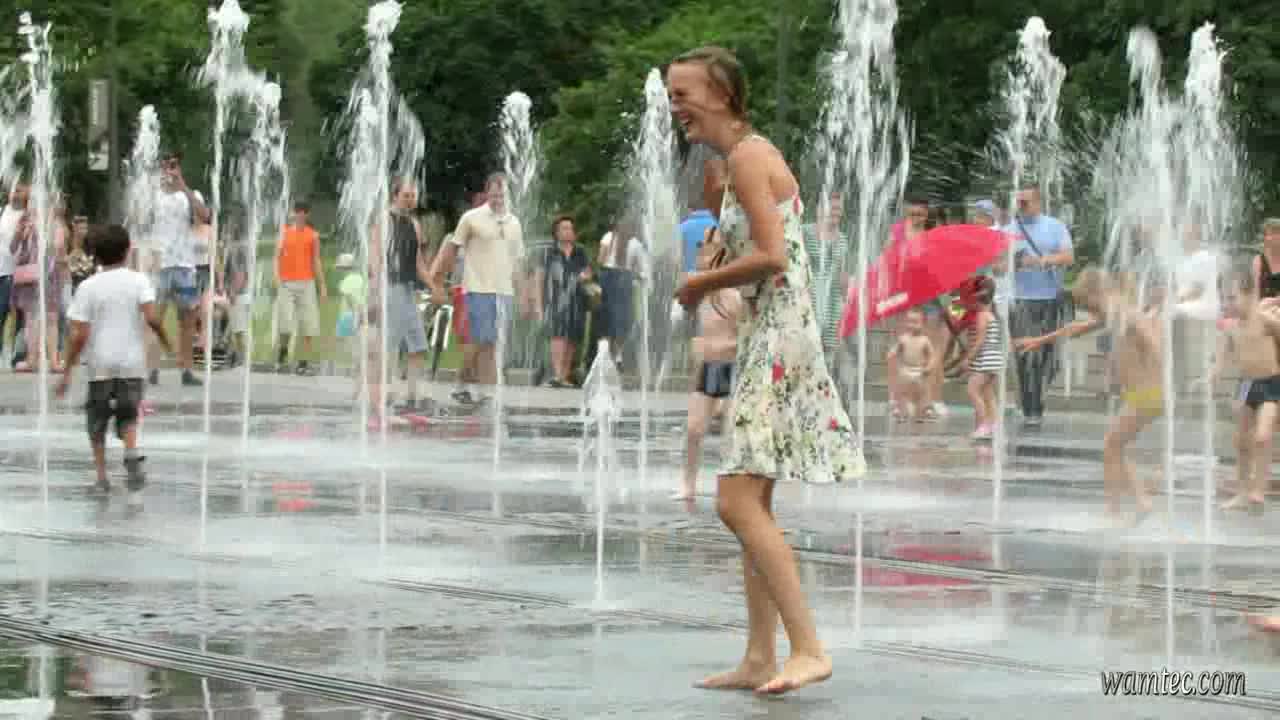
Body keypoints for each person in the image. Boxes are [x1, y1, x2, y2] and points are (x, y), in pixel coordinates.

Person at [669, 45, 865, 695]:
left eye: (683, 95)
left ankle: (808, 647)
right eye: (671, 96)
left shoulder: (750, 157)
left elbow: (776, 256)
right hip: (771, 330)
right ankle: (760, 654)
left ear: (721, 95)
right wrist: (721, 259)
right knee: (753, 502)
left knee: (734, 501)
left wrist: (701, 282)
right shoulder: (739, 162)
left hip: (780, 335)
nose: (675, 108)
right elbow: (764, 250)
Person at [1017, 268, 1157, 520]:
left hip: (1147, 393)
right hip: (1144, 394)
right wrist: (1040, 341)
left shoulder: (1123, 313)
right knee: (1116, 447)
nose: (1092, 313)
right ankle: (1138, 502)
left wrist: (1155, 366)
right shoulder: (1115, 313)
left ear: (1098, 294)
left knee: (1111, 446)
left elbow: (1150, 339)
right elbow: (1077, 328)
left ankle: (1117, 511)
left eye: (1090, 306)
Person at [56, 225, 171, 498]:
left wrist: (67, 371)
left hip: (100, 365)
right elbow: (152, 318)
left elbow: (79, 334)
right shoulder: (139, 280)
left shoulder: (87, 287)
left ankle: (101, 478)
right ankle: (131, 452)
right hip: (131, 363)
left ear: (95, 254)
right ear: (128, 250)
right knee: (128, 414)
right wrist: (166, 341)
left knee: (97, 421)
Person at [430, 173, 525, 405]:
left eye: (501, 195)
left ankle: (485, 392)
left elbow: (518, 260)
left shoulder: (514, 222)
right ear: (487, 192)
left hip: (504, 291)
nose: (497, 199)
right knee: (477, 340)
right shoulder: (471, 218)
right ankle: (462, 383)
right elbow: (452, 249)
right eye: (494, 194)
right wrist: (439, 281)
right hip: (477, 288)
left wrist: (522, 293)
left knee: (492, 343)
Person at [677, 228, 742, 500]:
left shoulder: (734, 295)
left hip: (731, 368)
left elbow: (746, 335)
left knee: (732, 432)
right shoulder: (701, 291)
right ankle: (688, 484)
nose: (702, 248)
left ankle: (733, 487)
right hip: (708, 367)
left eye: (709, 244)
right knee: (694, 429)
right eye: (702, 244)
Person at [1207, 271, 1280, 511]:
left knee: (1262, 436)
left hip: (1271, 384)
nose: (1227, 304)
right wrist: (1212, 376)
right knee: (1240, 441)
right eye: (1223, 298)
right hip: (1245, 385)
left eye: (1232, 298)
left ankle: (1258, 490)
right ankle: (1241, 493)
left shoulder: (1265, 320)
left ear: (1249, 295)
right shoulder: (1230, 328)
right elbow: (1220, 361)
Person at [1007, 184, 1074, 428]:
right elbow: (997, 265)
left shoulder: (1055, 226)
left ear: (1038, 202)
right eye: (1018, 202)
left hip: (1050, 299)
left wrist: (1043, 260)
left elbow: (1069, 257)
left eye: (1025, 202)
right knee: (1025, 354)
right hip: (1021, 300)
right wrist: (1014, 263)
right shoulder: (1009, 229)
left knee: (1050, 358)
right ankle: (1031, 409)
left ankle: (1037, 397)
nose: (1020, 206)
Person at [368, 178, 431, 417]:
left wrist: (433, 286)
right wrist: (376, 289)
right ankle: (381, 396)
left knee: (418, 345)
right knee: (388, 345)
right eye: (406, 195)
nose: (410, 199)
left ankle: (412, 396)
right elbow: (375, 256)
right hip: (390, 287)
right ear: (395, 196)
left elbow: (418, 263)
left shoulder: (414, 224)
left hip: (407, 289)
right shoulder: (384, 220)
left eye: (413, 195)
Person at [147, 151, 209, 388]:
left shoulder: (190, 194)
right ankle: (152, 368)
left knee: (187, 321)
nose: (169, 170)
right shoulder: (154, 195)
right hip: (161, 267)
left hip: (185, 267)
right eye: (165, 165)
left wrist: (182, 184)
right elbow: (140, 220)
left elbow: (205, 216)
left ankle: (186, 370)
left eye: (173, 165)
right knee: (155, 319)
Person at [273, 201, 327, 375]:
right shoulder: (284, 233)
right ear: (293, 213)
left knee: (308, 324)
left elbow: (316, 260)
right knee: (286, 324)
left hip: (306, 283)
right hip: (286, 283)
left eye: (303, 212)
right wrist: (276, 278)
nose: (300, 214)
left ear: (307, 214)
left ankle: (304, 362)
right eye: (297, 211)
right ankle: (283, 351)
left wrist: (322, 285)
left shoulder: (313, 236)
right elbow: (276, 257)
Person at [538, 215, 591, 387]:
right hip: (555, 299)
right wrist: (538, 304)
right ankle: (557, 374)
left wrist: (585, 276)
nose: (568, 231)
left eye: (570, 228)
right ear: (556, 232)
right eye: (564, 228)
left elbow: (588, 271)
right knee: (558, 334)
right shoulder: (549, 252)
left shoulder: (580, 251)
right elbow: (539, 277)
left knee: (572, 337)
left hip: (577, 299)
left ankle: (565, 375)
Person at [952, 276, 1004, 440]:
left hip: (985, 360)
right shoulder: (990, 314)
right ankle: (994, 425)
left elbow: (980, 340)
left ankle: (984, 425)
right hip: (993, 360)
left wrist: (968, 359)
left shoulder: (981, 315)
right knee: (987, 392)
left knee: (973, 390)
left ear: (975, 297)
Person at [597, 220, 647, 371]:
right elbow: (640, 269)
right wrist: (639, 277)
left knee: (605, 316)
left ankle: (603, 354)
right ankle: (618, 356)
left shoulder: (608, 237)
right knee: (621, 318)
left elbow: (600, 260)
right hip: (624, 280)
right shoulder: (636, 243)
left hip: (607, 278)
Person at [887, 308, 933, 422]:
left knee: (920, 395)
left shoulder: (925, 340)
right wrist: (892, 353)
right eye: (909, 322)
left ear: (923, 324)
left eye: (916, 322)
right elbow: (895, 349)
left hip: (920, 371)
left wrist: (929, 366)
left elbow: (931, 355)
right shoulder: (903, 338)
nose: (912, 325)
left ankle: (919, 414)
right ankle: (903, 414)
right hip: (905, 370)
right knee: (902, 393)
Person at [0, 182, 25, 363]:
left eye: (19, 190)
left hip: (20, 271)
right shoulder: (2, 211)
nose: (15, 193)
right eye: (13, 189)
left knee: (20, 313)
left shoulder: (29, 215)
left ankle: (18, 353)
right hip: (2, 270)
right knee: (1, 311)